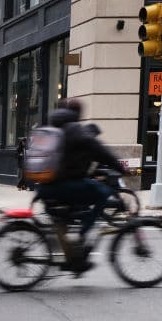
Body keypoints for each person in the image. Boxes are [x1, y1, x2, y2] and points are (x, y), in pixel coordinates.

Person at [36, 98, 124, 272]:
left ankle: (73, 257)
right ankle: (80, 235)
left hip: (46, 185)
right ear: (78, 114)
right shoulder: (75, 129)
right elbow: (99, 150)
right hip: (61, 185)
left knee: (71, 212)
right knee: (103, 194)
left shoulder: (55, 129)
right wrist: (120, 166)